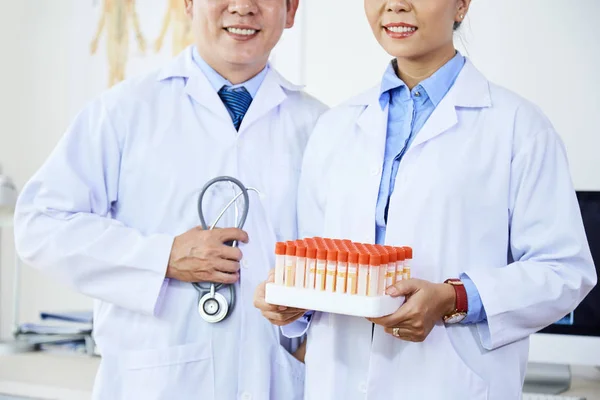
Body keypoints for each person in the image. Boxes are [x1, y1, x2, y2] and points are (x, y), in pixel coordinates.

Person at [254, 0, 597, 398]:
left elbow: (565, 270)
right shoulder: (335, 127)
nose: (395, 5)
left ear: (462, 5)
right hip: (339, 381)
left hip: (451, 382)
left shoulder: (518, 127)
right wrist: (292, 302)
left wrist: (454, 298)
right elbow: (315, 258)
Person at [14, 0, 326, 399]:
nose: (244, 7)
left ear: (291, 10)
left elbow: (336, 263)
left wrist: (303, 325)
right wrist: (163, 257)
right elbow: (39, 223)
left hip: (277, 383)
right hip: (155, 384)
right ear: (188, 4)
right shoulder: (124, 111)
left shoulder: (321, 128)